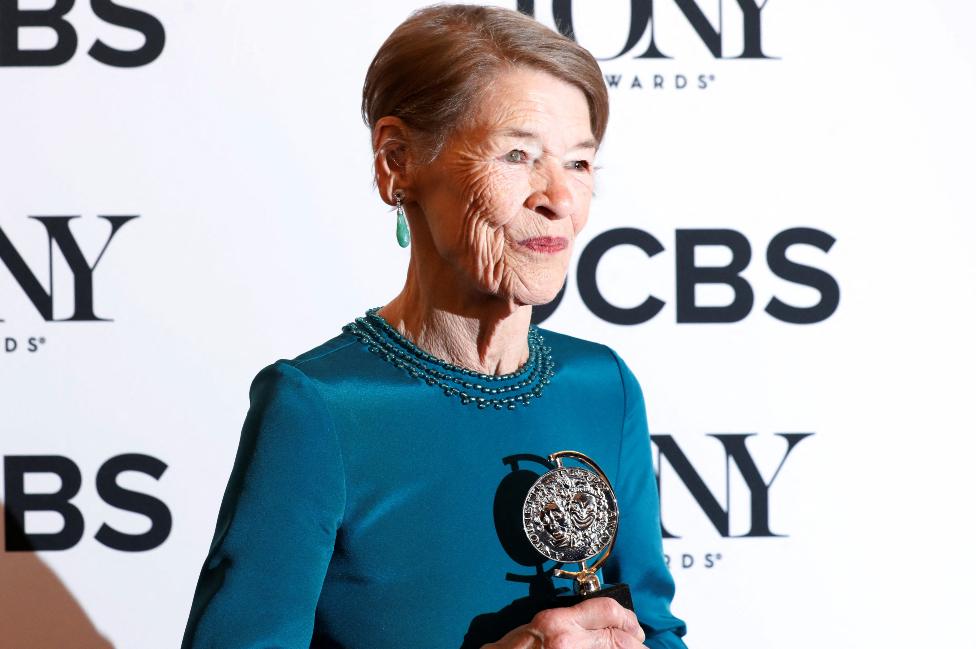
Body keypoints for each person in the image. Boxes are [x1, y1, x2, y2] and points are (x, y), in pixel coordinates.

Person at [181, 5, 687, 648]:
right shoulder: (322, 409)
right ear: (397, 161)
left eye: (580, 164)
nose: (558, 198)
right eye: (517, 155)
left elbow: (657, 630)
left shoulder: (603, 387)